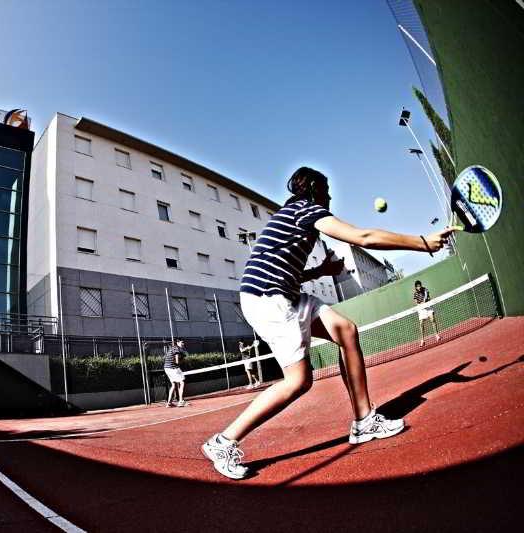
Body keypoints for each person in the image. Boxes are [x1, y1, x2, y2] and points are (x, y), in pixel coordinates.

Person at [201, 167, 455, 479]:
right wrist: (422, 243)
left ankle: (364, 421)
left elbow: (286, 270)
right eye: (327, 190)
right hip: (268, 299)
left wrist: (320, 272)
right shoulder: (306, 210)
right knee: (298, 382)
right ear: (315, 191)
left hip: (286, 293)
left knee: (346, 331)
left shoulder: (293, 217)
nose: (331, 196)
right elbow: (364, 237)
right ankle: (222, 442)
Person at [413, 280, 441, 347]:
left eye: (419, 285)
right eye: (417, 286)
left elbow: (429, 297)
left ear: (421, 285)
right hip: (421, 309)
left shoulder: (425, 289)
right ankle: (422, 340)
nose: (419, 287)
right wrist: (421, 303)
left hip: (428, 306)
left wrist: (427, 301)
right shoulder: (415, 294)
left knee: (432, 319)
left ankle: (437, 335)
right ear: (416, 287)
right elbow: (416, 302)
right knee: (421, 323)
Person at [164, 339, 190, 407]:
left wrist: (182, 357)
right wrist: (183, 359)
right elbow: (177, 362)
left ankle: (169, 403)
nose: (183, 343)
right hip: (172, 368)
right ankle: (181, 401)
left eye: (183, 342)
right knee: (182, 382)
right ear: (177, 342)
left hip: (167, 368)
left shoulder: (174, 348)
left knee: (173, 385)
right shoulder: (176, 349)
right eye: (182, 342)